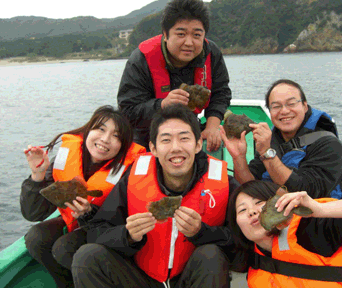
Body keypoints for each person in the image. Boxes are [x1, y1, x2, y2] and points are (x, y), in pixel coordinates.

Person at [71, 104, 240, 288]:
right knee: (86, 257)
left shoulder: (224, 183)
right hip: (142, 277)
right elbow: (98, 230)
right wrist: (127, 236)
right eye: (166, 140)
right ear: (153, 148)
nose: (176, 148)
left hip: (189, 278)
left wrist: (202, 233)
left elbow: (242, 243)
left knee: (212, 255)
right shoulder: (134, 178)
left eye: (184, 138)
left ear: (198, 144)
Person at [21, 105, 146, 288]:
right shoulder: (66, 156)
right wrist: (37, 176)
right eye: (100, 129)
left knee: (64, 248)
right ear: (88, 130)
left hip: (108, 232)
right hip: (73, 222)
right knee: (36, 237)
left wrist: (89, 213)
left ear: (123, 145)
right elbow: (32, 214)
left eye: (116, 136)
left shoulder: (129, 169)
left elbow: (123, 220)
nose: (105, 139)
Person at [227, 180, 342, 287]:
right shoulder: (250, 258)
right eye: (242, 210)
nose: (252, 212)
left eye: (259, 202)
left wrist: (321, 210)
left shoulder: (312, 231)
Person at [117, 0, 231, 153]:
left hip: (189, 126)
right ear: (165, 34)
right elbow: (128, 110)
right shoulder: (141, 59)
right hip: (146, 132)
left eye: (197, 35)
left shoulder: (211, 53)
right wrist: (162, 105)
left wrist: (212, 126)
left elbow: (221, 92)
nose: (189, 43)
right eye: (181, 34)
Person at [220, 78, 342, 199]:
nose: (284, 111)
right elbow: (250, 187)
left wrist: (267, 153)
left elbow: (307, 193)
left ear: (305, 106)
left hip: (321, 218)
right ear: (270, 111)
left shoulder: (329, 144)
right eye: (276, 106)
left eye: (291, 103)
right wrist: (238, 158)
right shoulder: (270, 139)